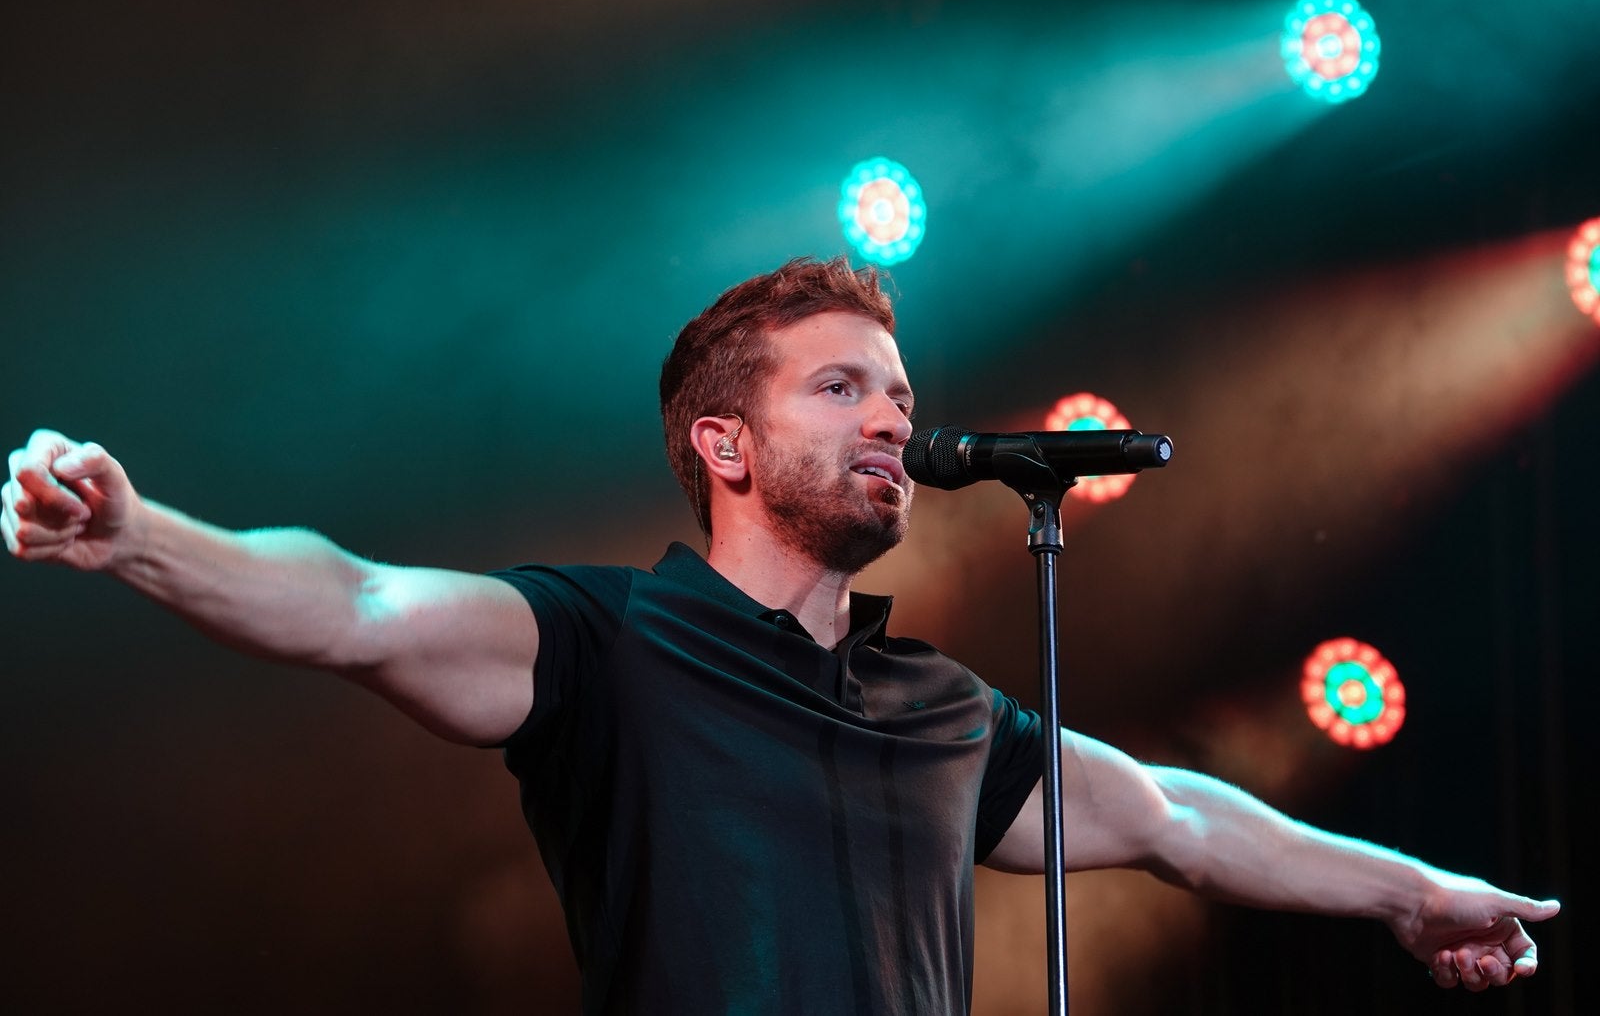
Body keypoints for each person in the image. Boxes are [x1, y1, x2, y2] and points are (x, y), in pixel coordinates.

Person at [2, 257, 1559, 1013]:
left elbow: (1175, 817)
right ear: (725, 446)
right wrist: (141, 537)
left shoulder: (940, 707)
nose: (891, 417)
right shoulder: (605, 644)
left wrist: (1414, 892)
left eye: (898, 391)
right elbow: (352, 603)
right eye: (840, 388)